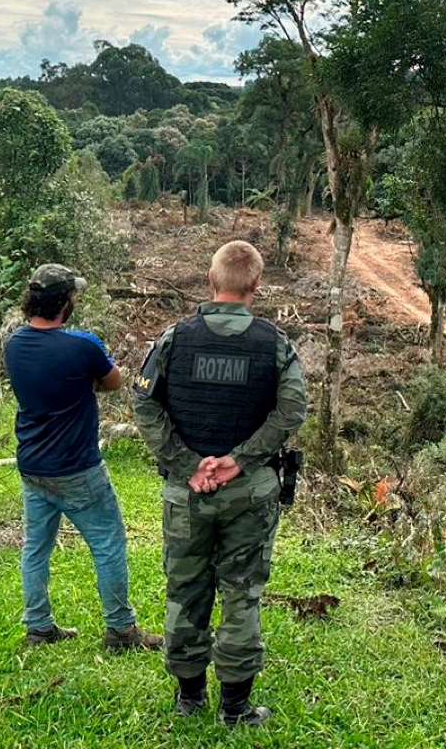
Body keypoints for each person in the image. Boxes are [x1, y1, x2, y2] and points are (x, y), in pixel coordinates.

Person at [133, 239, 306, 728]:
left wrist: (187, 463)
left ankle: (189, 697)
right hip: (249, 492)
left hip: (186, 493)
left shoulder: (173, 338)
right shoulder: (275, 343)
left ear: (211, 282)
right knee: (241, 591)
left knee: (186, 587)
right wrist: (241, 459)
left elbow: (144, 403)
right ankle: (235, 708)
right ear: (256, 286)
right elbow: (292, 409)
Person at [4, 262, 163, 652]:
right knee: (108, 542)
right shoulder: (83, 345)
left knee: (35, 548)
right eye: (73, 294)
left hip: (32, 466)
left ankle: (38, 628)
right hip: (78, 468)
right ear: (66, 302)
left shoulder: (14, 344)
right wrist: (82, 382)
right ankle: (121, 631)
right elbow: (115, 382)